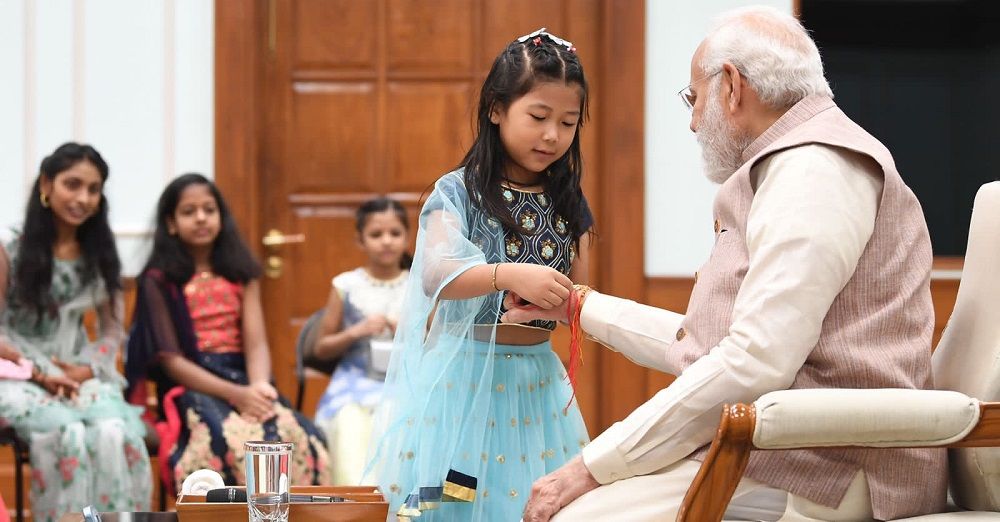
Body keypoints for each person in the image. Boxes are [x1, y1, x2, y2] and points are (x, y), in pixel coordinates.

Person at [508, 6, 946, 522]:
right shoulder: (794, 163)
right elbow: (712, 346)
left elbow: (753, 360)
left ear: (733, 87)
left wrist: (590, 467)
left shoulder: (813, 170)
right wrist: (578, 307)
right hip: (788, 446)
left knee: (574, 515)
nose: (694, 122)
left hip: (829, 465)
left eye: (694, 99)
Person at [363, 28, 594, 521]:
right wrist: (506, 275)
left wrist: (566, 301)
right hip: (464, 386)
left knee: (542, 504)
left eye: (568, 122)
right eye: (538, 117)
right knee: (456, 505)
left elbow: (581, 294)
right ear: (495, 109)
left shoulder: (568, 199)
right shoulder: (459, 192)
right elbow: (436, 273)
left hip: (538, 382)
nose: (552, 135)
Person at [125, 173, 330, 494]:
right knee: (222, 439)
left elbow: (256, 343)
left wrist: (259, 387)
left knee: (297, 436)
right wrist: (235, 395)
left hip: (242, 379)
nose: (201, 218)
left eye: (209, 209)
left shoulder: (240, 273)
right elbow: (171, 361)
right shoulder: (158, 280)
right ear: (171, 223)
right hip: (191, 385)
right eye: (189, 211)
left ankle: (277, 514)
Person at [0, 142, 152, 521]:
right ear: (46, 185)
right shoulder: (10, 249)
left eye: (93, 189)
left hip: (77, 371)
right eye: (72, 184)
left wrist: (86, 369)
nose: (83, 198)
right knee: (67, 430)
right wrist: (41, 373)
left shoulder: (99, 253)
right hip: (18, 371)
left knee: (113, 430)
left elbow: (112, 331)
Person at [310, 197, 412, 485]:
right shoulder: (346, 285)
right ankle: (354, 499)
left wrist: (408, 331)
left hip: (405, 383)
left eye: (395, 233)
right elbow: (320, 348)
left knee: (398, 423)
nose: (386, 241)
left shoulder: (418, 285)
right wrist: (356, 331)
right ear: (360, 240)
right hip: (354, 383)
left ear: (407, 237)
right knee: (349, 426)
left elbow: (438, 341)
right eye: (376, 234)